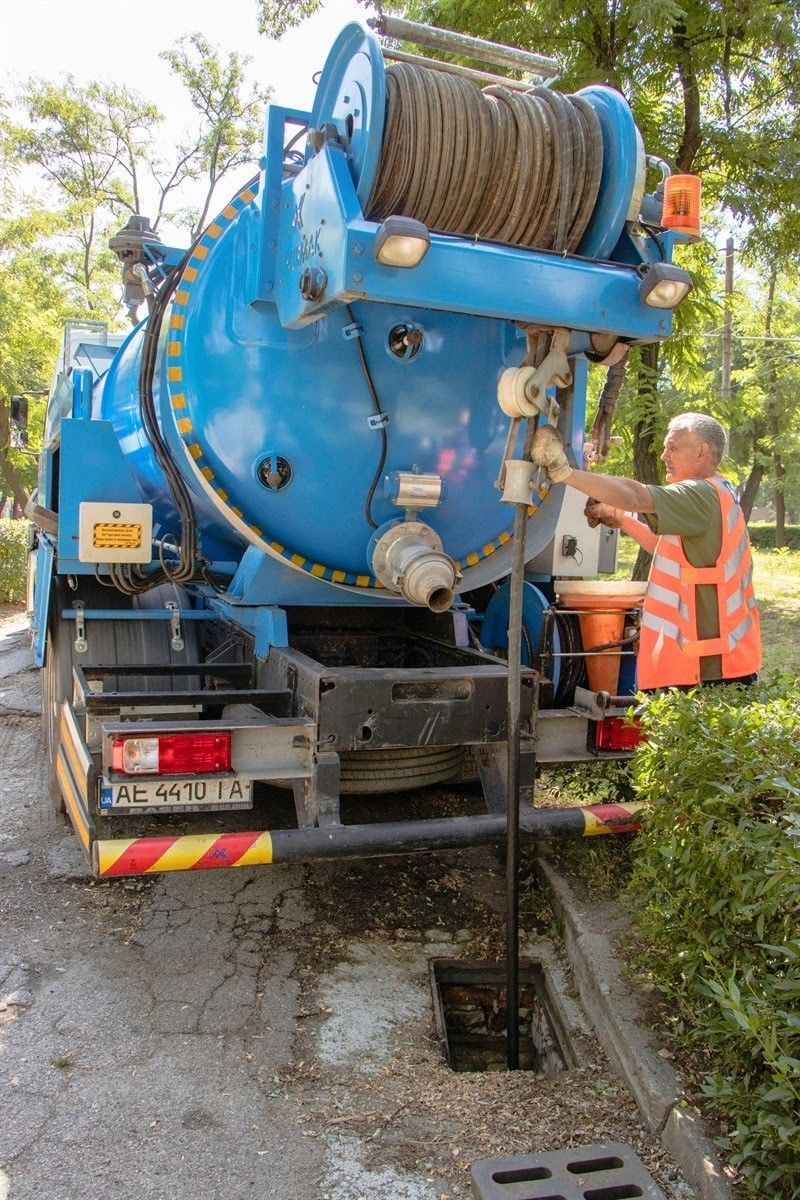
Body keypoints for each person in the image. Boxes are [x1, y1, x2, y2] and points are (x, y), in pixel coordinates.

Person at [531, 413, 761, 688]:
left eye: (673, 448)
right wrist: (622, 520)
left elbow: (636, 495)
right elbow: (665, 547)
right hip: (716, 665)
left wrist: (565, 473)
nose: (664, 456)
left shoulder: (699, 494)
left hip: (705, 671)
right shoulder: (719, 492)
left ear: (701, 453)